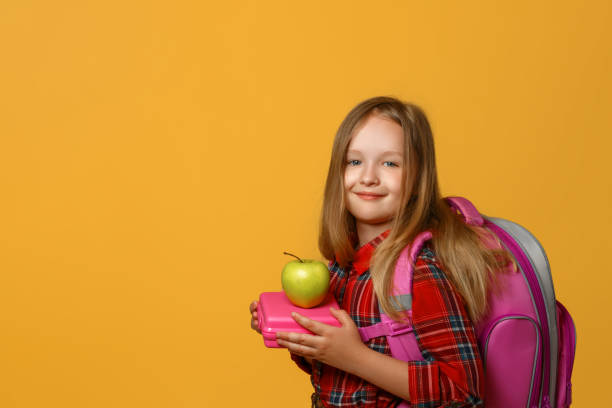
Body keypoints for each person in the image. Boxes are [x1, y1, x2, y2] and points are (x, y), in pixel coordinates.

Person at [249, 96, 514, 407]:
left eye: (390, 163)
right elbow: (339, 379)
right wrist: (302, 338)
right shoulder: (341, 266)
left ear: (417, 180)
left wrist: (356, 357)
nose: (368, 177)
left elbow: (463, 392)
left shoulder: (421, 271)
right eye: (354, 161)